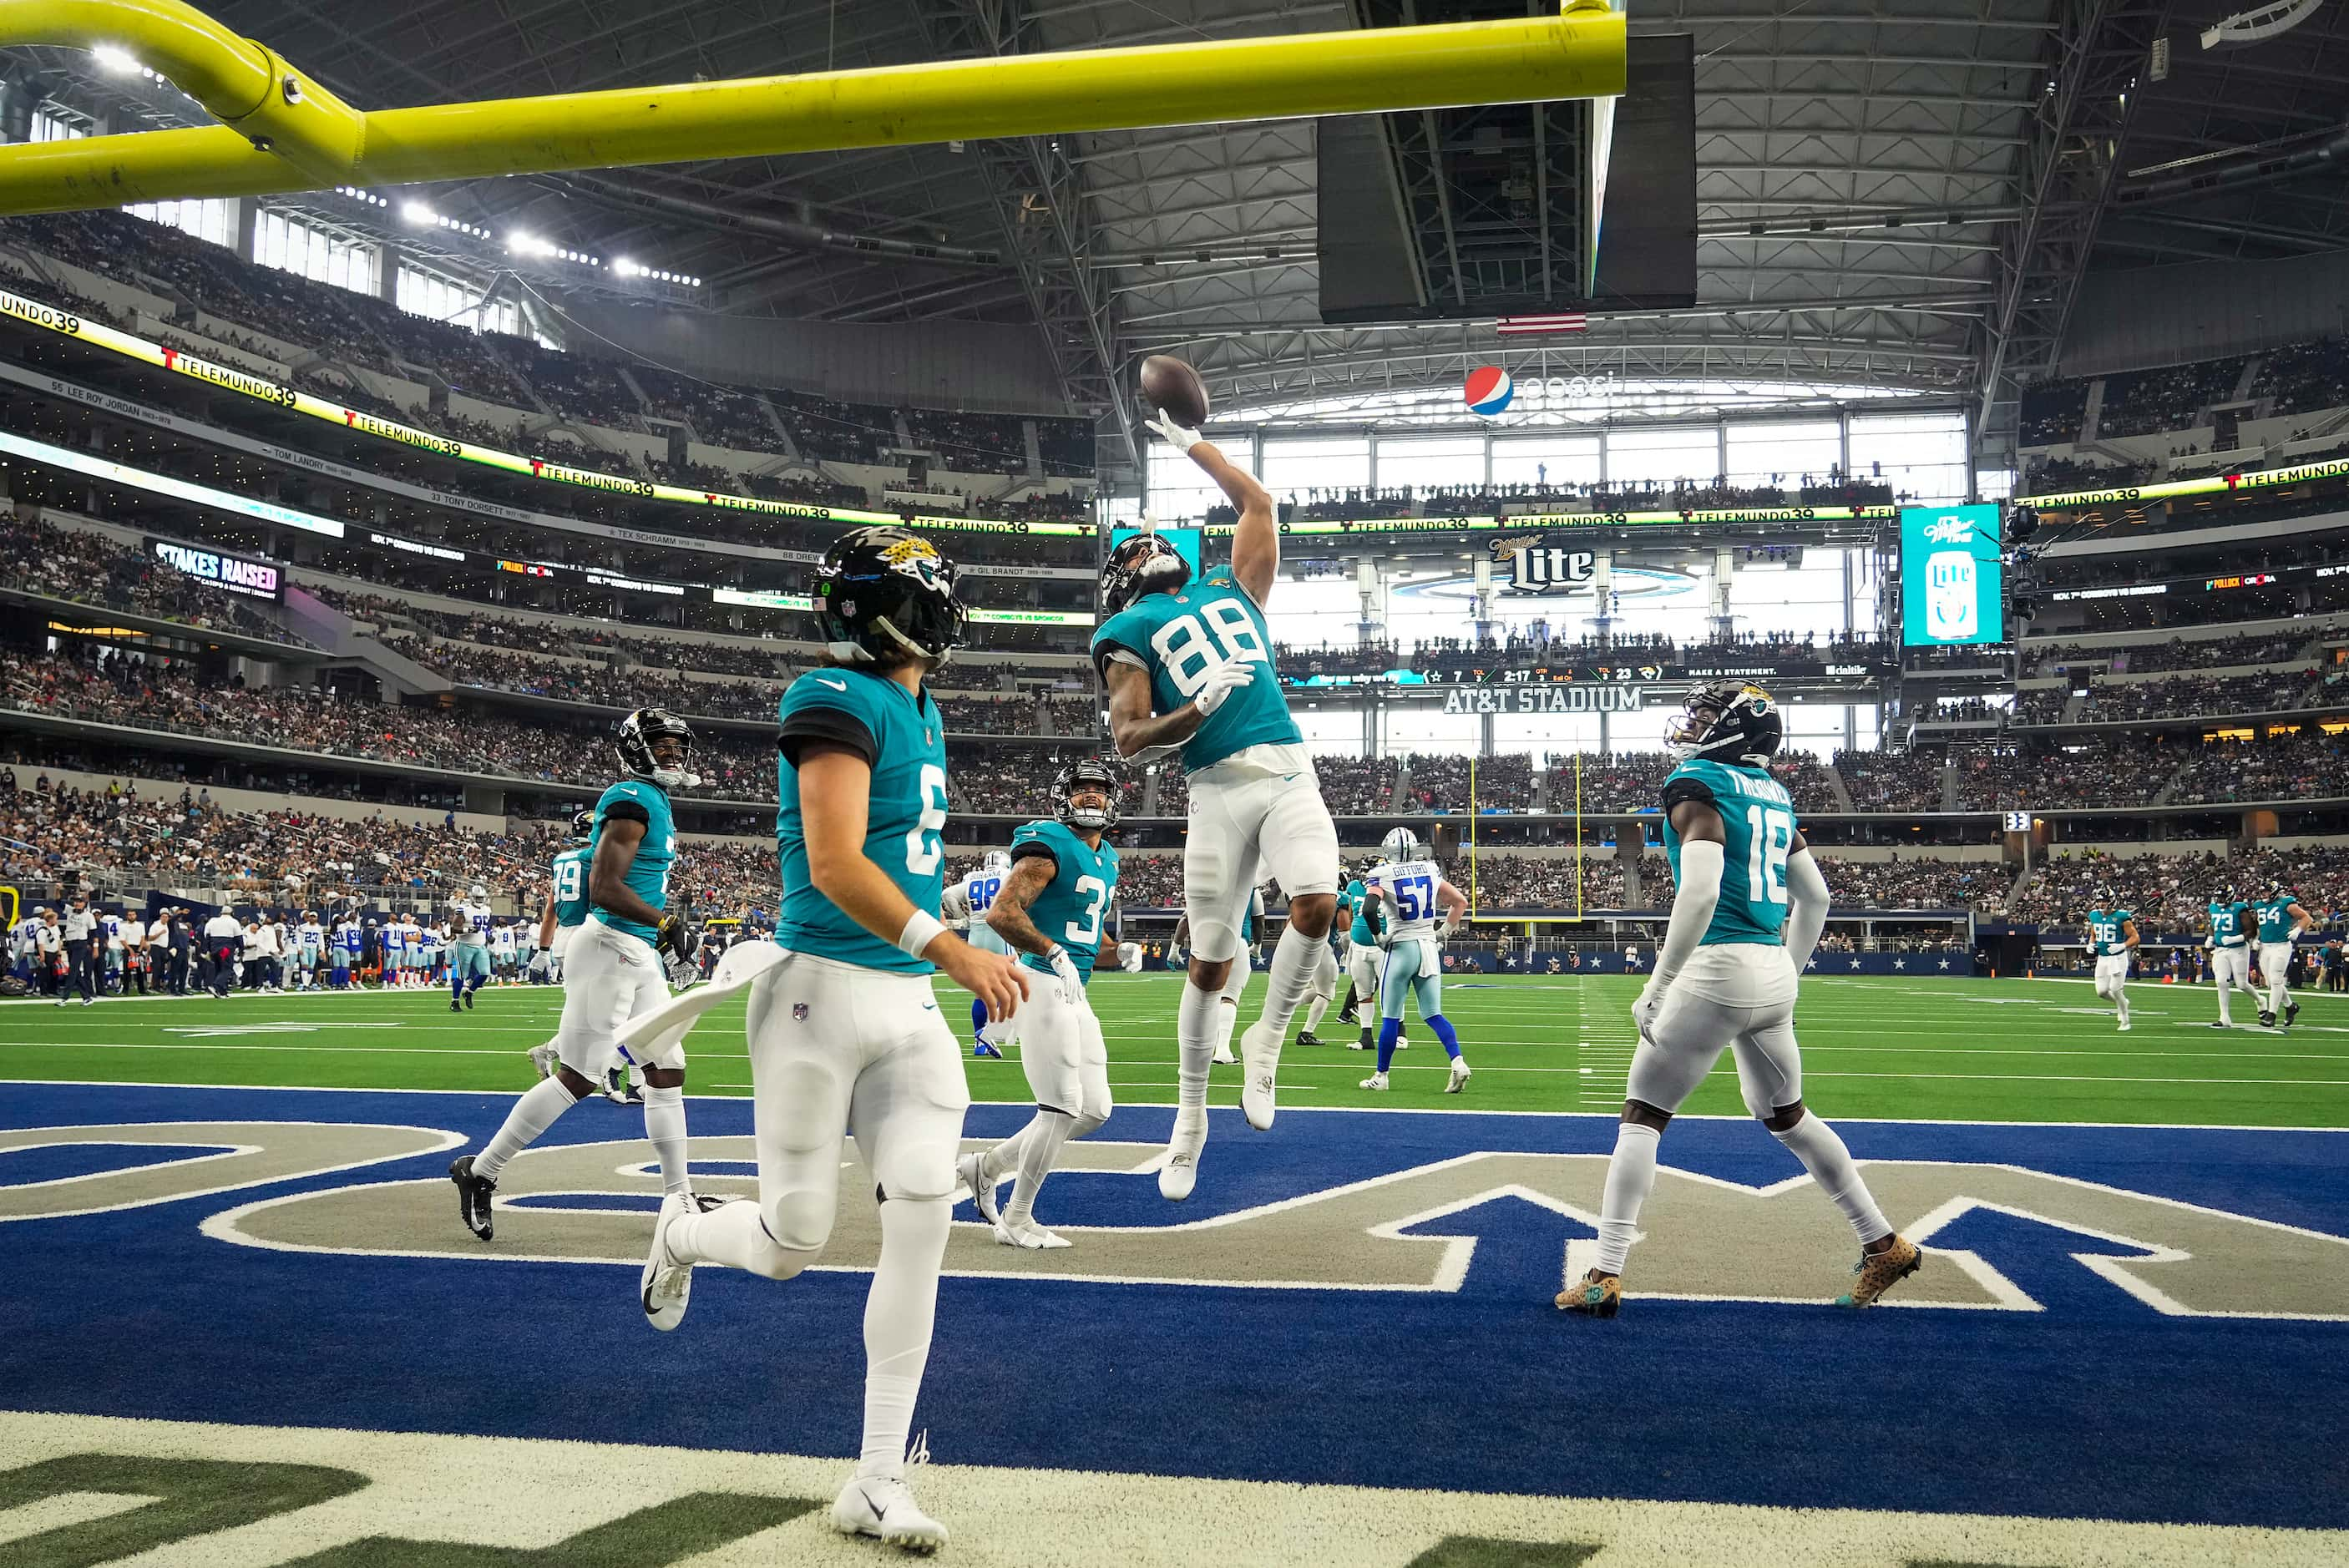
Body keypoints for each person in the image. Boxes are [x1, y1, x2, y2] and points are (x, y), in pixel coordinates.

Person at [638, 526, 1026, 1552]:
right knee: (790, 1243)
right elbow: (837, 861)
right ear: (895, 607)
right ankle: (681, 1228)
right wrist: (957, 948)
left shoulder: (918, 708)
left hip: (905, 1012)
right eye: (932, 595)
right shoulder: (832, 698)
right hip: (814, 995)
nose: (950, 612)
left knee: (922, 1223)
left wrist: (956, 932)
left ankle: (876, 1477)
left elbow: (894, 865)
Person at [1559, 681, 1921, 1319]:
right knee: (1787, 1117)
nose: (1692, 724)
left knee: (1642, 1117)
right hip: (1769, 972)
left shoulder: (1696, 784)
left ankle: (1603, 1274)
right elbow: (1817, 900)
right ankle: (1882, 1242)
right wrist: (1788, 970)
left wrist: (1658, 983)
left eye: (1704, 715)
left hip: (1715, 969)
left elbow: (1697, 894)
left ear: (1732, 730)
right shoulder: (1775, 795)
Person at [1095, 411, 1340, 1201]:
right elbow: (1129, 737)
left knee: (1315, 902)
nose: (1147, 547)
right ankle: (1188, 1124)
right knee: (1208, 962)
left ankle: (1266, 1046)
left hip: (1288, 772)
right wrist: (1196, 707)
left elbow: (1258, 508)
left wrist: (1194, 448)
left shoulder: (1233, 587)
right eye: (1130, 550)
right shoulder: (1127, 628)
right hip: (1215, 792)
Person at [448, 710, 706, 1240]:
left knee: (665, 1069)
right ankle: (480, 1172)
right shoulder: (631, 799)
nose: (675, 754)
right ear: (637, 747)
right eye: (663, 744)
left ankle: (677, 1197)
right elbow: (605, 888)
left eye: (680, 746)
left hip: (634, 949)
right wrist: (666, 920)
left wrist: (658, 929)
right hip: (608, 945)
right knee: (580, 1077)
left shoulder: (654, 800)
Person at [958, 758, 1121, 1248]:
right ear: (1064, 796)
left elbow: (1083, 926)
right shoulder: (1047, 847)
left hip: (1073, 988)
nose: (1091, 796)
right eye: (1081, 788)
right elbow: (1003, 913)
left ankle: (984, 1168)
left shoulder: (1108, 856)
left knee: (1094, 1109)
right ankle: (1017, 1219)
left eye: (1099, 789)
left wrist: (1120, 950)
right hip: (1041, 981)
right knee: (1061, 1107)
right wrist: (1051, 951)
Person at [1356, 828, 1471, 1094]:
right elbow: (1460, 902)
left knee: (1390, 1018)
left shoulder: (1382, 873)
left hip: (1402, 948)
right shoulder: (1430, 869)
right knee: (1434, 1014)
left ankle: (1381, 1076)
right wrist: (1442, 933)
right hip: (1428, 947)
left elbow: (1369, 909)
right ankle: (1458, 1061)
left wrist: (1378, 937)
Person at [943, 849, 1015, 1058]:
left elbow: (947, 894)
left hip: (976, 934)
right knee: (1015, 982)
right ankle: (992, 1032)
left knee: (982, 991)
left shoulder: (971, 877)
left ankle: (980, 1042)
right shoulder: (1006, 875)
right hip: (999, 932)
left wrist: (961, 917)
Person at [2252, 883, 2315, 1029]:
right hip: (2266, 947)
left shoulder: (2286, 903)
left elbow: (2307, 918)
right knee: (2270, 983)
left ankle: (2271, 1015)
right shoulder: (2258, 905)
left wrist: (2298, 930)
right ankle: (2290, 1006)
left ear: (2274, 892)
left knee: (2275, 981)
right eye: (2262, 892)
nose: (2263, 895)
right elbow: (2263, 924)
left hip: (2281, 946)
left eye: (2267, 892)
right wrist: (2256, 938)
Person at [2084, 892, 2138, 1032]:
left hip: (2117, 958)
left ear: (2111, 901)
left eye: (2104, 901)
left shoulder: (2121, 916)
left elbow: (2135, 937)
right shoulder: (2094, 915)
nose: (2101, 903)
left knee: (2115, 989)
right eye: (2099, 900)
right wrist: (2090, 943)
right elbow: (2094, 932)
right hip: (2102, 957)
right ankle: (2123, 1003)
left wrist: (2122, 945)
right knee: (2101, 992)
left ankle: (2126, 1021)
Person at [2203, 887, 2254, 1029]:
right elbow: (2212, 924)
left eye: (2222, 897)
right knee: (2221, 982)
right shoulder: (2213, 908)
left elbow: (2251, 930)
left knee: (2241, 984)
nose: (2219, 900)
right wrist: (2211, 937)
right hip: (2220, 950)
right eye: (2217, 897)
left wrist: (2235, 939)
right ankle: (2224, 1017)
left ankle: (2260, 1000)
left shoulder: (2239, 908)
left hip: (2238, 949)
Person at [448, 883, 496, 1011]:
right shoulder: (463, 909)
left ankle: (469, 993)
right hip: (464, 945)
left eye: (481, 898)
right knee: (461, 975)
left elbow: (483, 928)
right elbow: (454, 928)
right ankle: (455, 1001)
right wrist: (468, 929)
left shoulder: (487, 909)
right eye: (477, 898)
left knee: (485, 973)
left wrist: (488, 935)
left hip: (480, 945)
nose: (480, 900)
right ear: (472, 897)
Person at [58, 894, 98, 1007]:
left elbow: (93, 933)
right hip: (71, 943)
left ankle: (64, 998)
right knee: (76, 973)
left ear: (84, 903)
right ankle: (87, 997)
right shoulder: (70, 911)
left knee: (73, 970)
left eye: (80, 901)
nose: (77, 903)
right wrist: (57, 889)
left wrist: (95, 948)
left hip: (81, 943)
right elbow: (58, 901)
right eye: (76, 901)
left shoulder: (88, 916)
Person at [202, 907, 241, 999]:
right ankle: (216, 985)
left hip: (214, 947)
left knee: (218, 968)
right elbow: (238, 937)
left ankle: (222, 991)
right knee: (227, 968)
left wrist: (208, 949)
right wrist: (241, 949)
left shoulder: (212, 921)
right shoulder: (234, 922)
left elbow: (206, 935)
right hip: (226, 948)